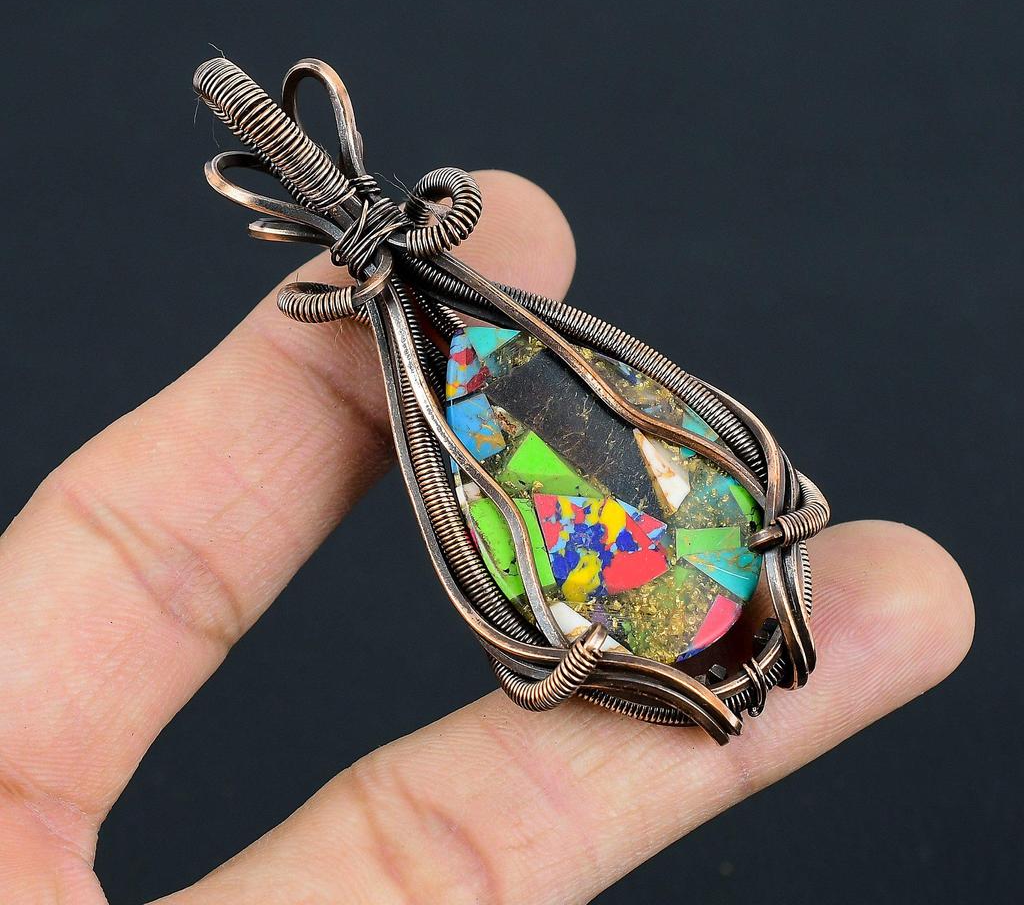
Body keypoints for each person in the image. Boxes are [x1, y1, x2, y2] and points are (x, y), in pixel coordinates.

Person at [0, 171, 974, 903]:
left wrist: (574, 659)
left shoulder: (490, 368)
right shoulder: (475, 384)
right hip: (629, 597)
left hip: (678, 585)